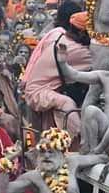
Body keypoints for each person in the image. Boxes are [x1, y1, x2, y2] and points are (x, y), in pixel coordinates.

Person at [0, 128, 103, 193]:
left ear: (61, 153)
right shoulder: (33, 177)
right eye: (43, 152)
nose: (47, 156)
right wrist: (7, 160)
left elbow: (101, 158)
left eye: (51, 152)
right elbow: (3, 190)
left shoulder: (72, 163)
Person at [57, 43, 109, 154]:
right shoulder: (104, 76)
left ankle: (99, 150)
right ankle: (92, 147)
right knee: (90, 110)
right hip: (106, 125)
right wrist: (63, 62)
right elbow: (76, 75)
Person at [23, 9, 91, 137]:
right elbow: (102, 61)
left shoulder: (57, 34)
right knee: (67, 103)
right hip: (39, 92)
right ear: (82, 32)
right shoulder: (78, 50)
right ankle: (78, 138)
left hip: (43, 87)